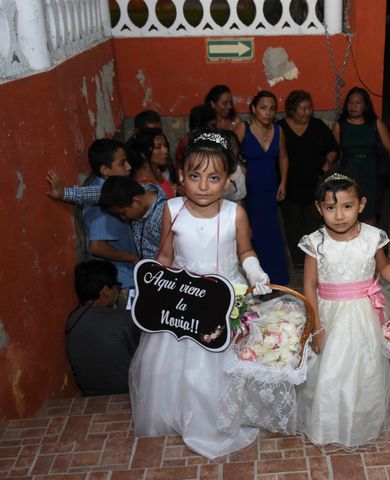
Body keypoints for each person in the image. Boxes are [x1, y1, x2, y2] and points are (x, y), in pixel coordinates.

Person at [129, 128, 272, 459]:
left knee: (221, 365)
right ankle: (181, 416)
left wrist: (255, 272)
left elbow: (245, 251)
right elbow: (165, 256)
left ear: (228, 180)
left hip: (223, 299)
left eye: (213, 177)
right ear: (181, 175)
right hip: (182, 302)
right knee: (180, 367)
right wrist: (152, 288)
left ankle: (221, 418)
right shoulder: (172, 209)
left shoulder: (234, 213)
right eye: (195, 176)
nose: (204, 186)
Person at [296, 172, 390, 449]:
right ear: (319, 208)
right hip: (329, 315)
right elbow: (309, 285)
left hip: (364, 314)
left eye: (347, 206)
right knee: (331, 371)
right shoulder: (315, 242)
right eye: (330, 208)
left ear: (361, 204)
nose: (339, 215)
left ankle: (363, 422)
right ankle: (328, 422)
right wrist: (316, 325)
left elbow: (385, 268)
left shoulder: (372, 237)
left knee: (365, 369)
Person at [278, 90, 338, 272]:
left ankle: (311, 258)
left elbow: (333, 148)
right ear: (292, 110)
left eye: (309, 108)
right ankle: (297, 260)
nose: (307, 112)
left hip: (314, 183)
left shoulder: (318, 126)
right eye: (303, 109)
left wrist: (328, 161)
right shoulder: (280, 128)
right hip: (290, 184)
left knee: (312, 223)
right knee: (292, 223)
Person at [47, 173, 167, 260]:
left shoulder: (164, 217)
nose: (123, 218)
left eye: (124, 213)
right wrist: (64, 194)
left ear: (136, 201)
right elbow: (99, 194)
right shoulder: (139, 191)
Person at [66, 260, 140, 396]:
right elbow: (140, 355)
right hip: (127, 393)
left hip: (91, 394)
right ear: (105, 291)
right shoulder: (123, 319)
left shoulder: (72, 321)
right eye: (117, 287)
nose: (117, 292)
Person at [239, 90, 289, 285]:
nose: (268, 113)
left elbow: (283, 158)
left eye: (272, 109)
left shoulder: (278, 130)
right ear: (253, 109)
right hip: (249, 191)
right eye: (263, 108)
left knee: (272, 233)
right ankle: (255, 281)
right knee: (251, 233)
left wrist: (283, 182)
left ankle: (275, 280)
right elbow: (230, 155)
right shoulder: (243, 129)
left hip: (270, 188)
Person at [81, 139, 139, 306]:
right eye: (122, 164)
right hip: (121, 281)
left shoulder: (110, 190)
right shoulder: (102, 198)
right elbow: (96, 247)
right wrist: (132, 257)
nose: (128, 167)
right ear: (105, 170)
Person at [332, 87, 390, 225]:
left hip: (372, 173)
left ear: (365, 105)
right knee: (349, 212)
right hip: (349, 173)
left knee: (370, 213)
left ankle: (369, 245)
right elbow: (333, 152)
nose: (353, 106)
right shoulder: (340, 126)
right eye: (350, 102)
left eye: (358, 102)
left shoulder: (376, 123)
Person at [132, 128, 176, 198]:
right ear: (143, 153)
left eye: (165, 146)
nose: (165, 151)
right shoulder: (145, 183)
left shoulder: (156, 170)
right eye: (158, 147)